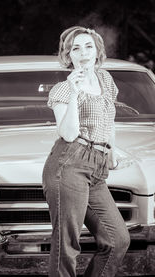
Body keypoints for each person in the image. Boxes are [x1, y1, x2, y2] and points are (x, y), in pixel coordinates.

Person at [42, 26, 130, 277]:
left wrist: (111, 151)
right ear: (68, 55)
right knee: (67, 245)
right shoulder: (62, 89)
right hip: (68, 164)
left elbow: (108, 119)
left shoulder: (106, 80)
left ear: (97, 50)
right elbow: (68, 134)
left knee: (117, 240)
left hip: (97, 166)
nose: (82, 53)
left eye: (88, 46)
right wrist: (73, 92)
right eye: (75, 48)